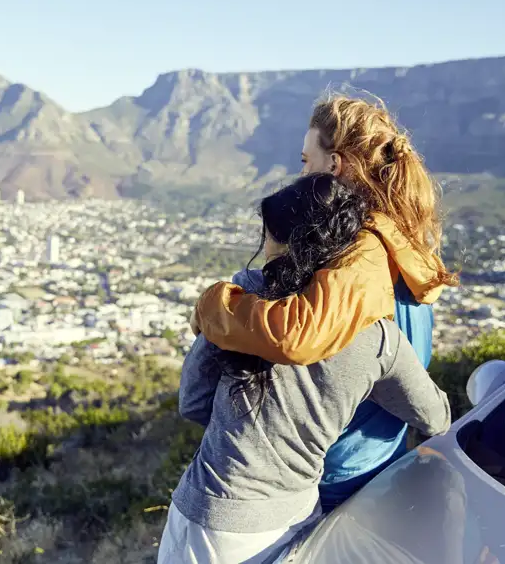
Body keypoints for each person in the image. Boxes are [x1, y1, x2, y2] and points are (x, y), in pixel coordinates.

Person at [158, 173, 452, 564]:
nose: (264, 247)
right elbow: (435, 416)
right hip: (289, 518)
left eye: (269, 236)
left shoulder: (239, 303)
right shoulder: (380, 339)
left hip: (202, 507)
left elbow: (192, 402)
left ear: (287, 244)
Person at [190, 95, 460, 510]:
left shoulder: (357, 254)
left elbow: (296, 336)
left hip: (339, 472)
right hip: (380, 456)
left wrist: (215, 305)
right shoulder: (403, 244)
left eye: (305, 160)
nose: (301, 173)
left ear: (334, 166)